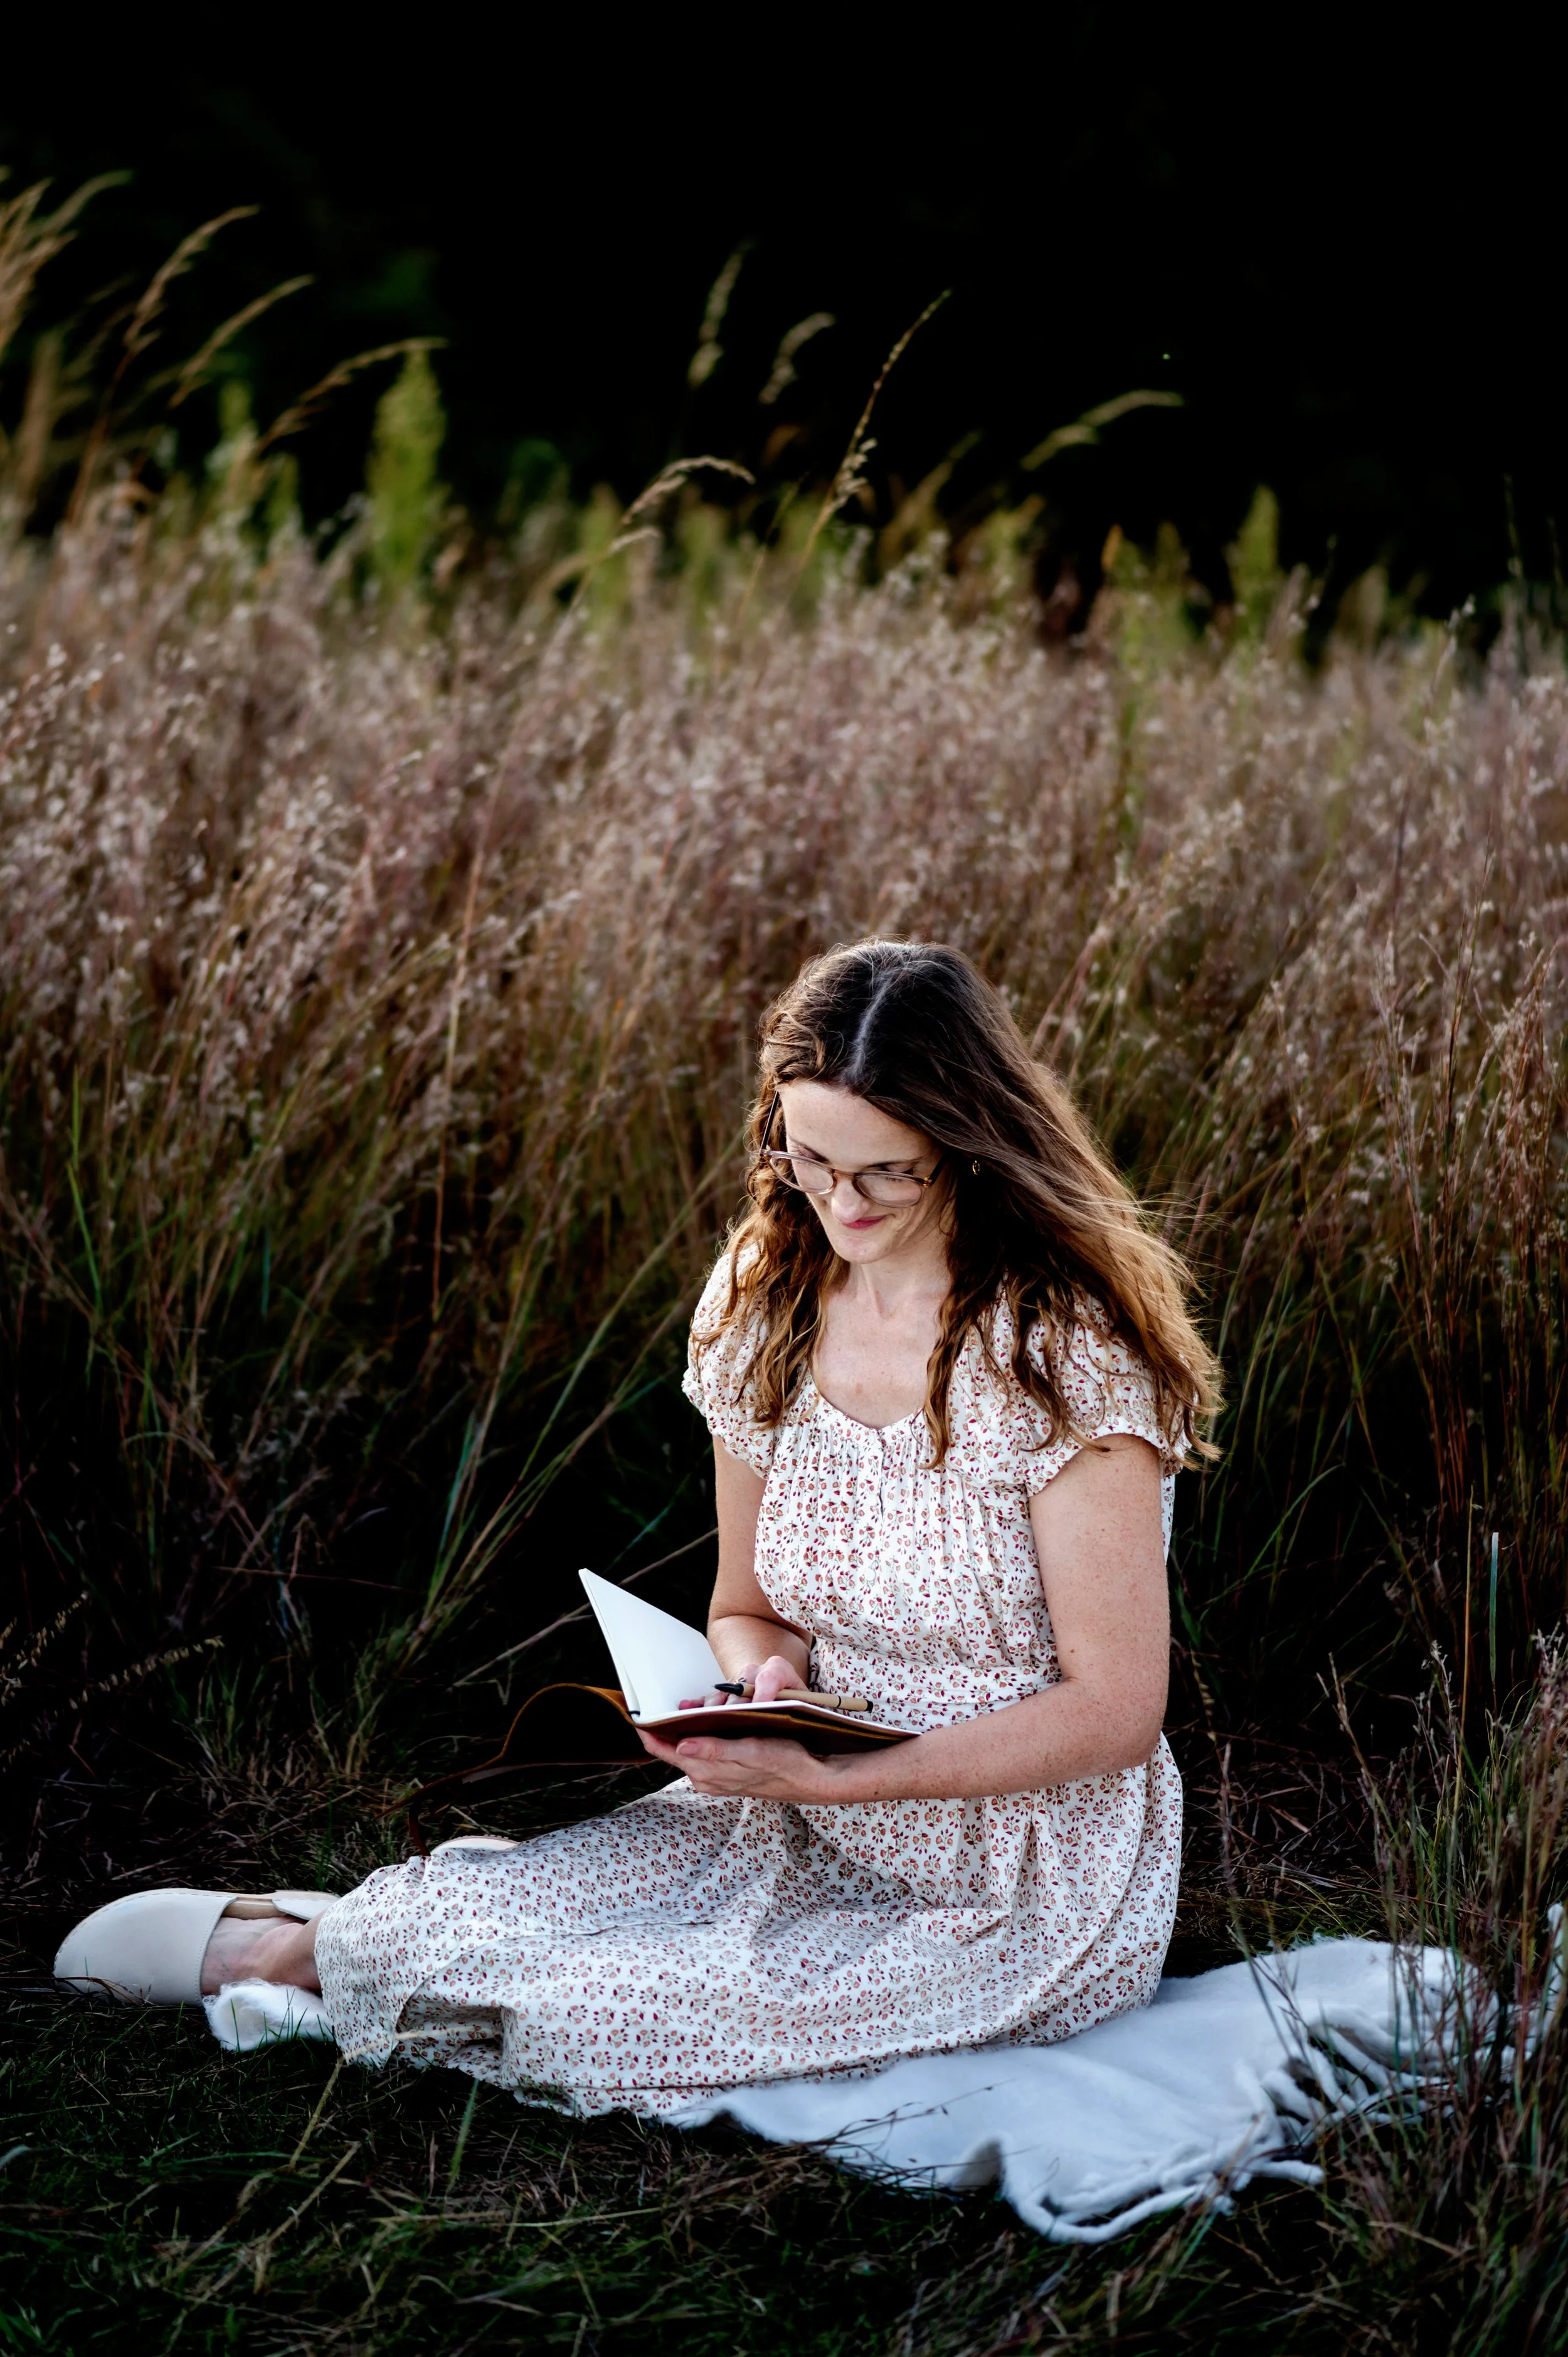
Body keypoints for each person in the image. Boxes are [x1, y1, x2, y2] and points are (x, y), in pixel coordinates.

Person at [56, 939, 1219, 2112]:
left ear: (969, 1145)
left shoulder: (1061, 1356)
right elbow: (745, 1605)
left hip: (1018, 1873)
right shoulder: (767, 1307)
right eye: (809, 1158)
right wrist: (762, 1695)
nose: (841, 1203)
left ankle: (376, 1958)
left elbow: (1119, 1711)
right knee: (451, 1946)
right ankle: (322, 1946)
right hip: (798, 1792)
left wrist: (849, 1786)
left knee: (590, 2032)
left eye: (887, 1174)